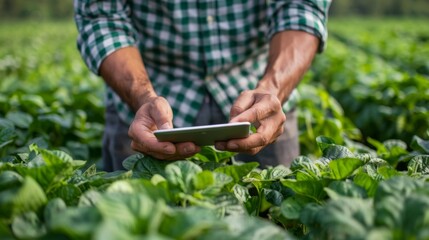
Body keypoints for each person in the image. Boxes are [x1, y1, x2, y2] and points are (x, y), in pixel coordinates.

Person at [74, 0, 331, 171]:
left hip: (259, 97)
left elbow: (301, 6)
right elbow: (101, 16)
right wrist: (142, 97)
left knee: (275, 220)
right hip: (145, 103)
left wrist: (272, 89)